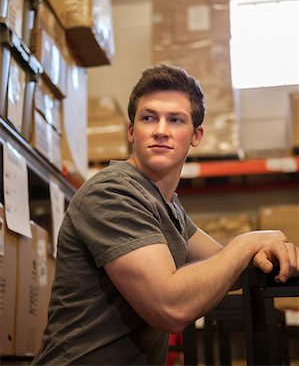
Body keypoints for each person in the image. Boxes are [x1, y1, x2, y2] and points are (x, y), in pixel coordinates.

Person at [32, 65, 299, 366]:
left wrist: (272, 250)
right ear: (131, 131)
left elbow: (226, 266)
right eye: (149, 118)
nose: (161, 130)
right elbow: (171, 306)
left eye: (175, 120)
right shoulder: (112, 192)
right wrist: (247, 242)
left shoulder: (169, 206)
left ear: (196, 135)